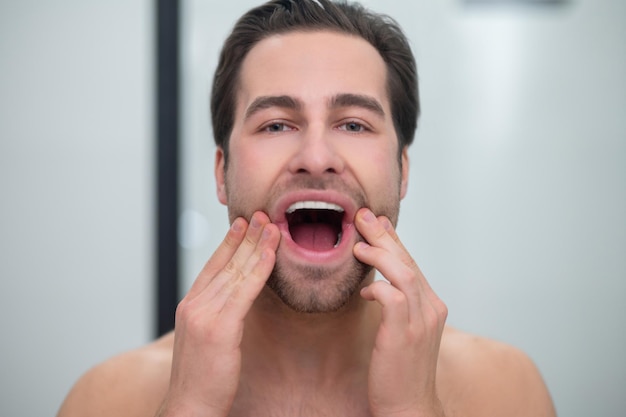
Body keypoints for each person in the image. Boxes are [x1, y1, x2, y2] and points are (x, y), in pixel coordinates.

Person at [58, 1, 556, 416]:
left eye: (354, 124)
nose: (316, 157)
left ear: (402, 172)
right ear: (220, 172)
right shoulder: (106, 399)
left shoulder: (506, 390)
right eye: (276, 125)